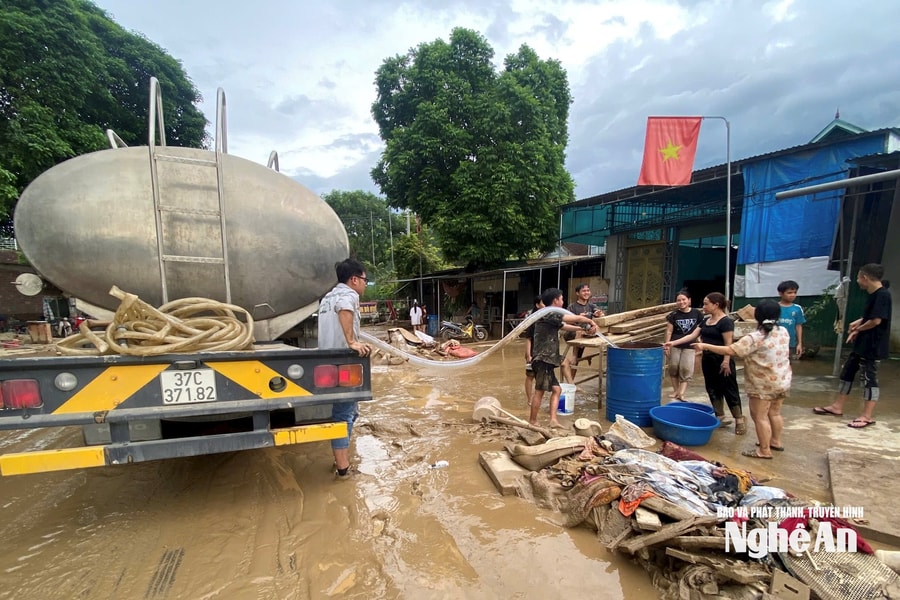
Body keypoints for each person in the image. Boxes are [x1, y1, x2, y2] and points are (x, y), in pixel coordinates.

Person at [693, 299, 791, 459]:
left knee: (759, 417)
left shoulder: (755, 337)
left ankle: (764, 450)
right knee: (774, 413)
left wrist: (705, 346)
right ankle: (775, 442)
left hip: (762, 384)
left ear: (758, 315)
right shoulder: (783, 332)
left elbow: (731, 350)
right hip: (782, 380)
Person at [814, 263, 891, 429]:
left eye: (858, 277)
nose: (857, 281)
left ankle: (867, 415)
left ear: (864, 277)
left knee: (869, 379)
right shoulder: (873, 294)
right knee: (847, 372)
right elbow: (870, 316)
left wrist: (857, 329)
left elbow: (876, 321)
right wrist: (858, 323)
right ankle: (837, 406)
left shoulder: (882, 295)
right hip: (862, 345)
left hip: (873, 346)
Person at [318, 258, 371, 480]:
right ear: (354, 279)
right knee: (343, 413)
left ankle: (342, 457)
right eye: (365, 280)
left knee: (350, 411)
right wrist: (352, 342)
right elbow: (345, 308)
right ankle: (343, 469)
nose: (365, 285)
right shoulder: (348, 295)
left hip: (326, 362)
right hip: (343, 361)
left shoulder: (327, 297)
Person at [667, 292, 746, 434]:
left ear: (716, 305)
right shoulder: (706, 320)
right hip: (708, 360)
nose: (703, 307)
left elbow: (729, 344)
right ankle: (720, 416)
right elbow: (692, 336)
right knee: (712, 388)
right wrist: (672, 342)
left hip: (722, 360)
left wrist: (726, 361)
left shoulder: (726, 322)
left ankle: (739, 420)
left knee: (729, 390)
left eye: (706, 304)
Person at [529, 288, 597, 427]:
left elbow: (565, 326)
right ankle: (533, 421)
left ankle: (553, 420)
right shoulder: (548, 312)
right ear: (556, 300)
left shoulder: (551, 316)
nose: (563, 301)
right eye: (562, 299)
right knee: (539, 391)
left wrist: (582, 329)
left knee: (557, 389)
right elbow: (575, 318)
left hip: (548, 359)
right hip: (543, 359)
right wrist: (591, 322)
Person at [662, 290, 702, 401]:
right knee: (673, 368)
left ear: (689, 300)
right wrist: (667, 345)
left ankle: (682, 392)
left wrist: (700, 344)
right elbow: (669, 331)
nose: (681, 302)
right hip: (674, 345)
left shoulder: (697, 313)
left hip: (690, 345)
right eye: (678, 300)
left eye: (684, 299)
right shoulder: (673, 315)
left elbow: (699, 330)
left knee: (686, 369)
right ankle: (676, 390)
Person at [561, 283, 605, 383]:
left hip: (584, 333)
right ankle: (574, 355)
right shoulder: (572, 307)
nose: (586, 293)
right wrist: (578, 317)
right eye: (584, 291)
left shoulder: (591, 305)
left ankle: (571, 382)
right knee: (579, 332)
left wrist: (600, 314)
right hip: (571, 333)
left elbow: (600, 313)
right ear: (577, 293)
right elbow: (566, 321)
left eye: (588, 291)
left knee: (577, 362)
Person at [777, 280, 806, 359]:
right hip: (775, 342)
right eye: (789, 293)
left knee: (787, 364)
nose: (793, 295)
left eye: (795, 292)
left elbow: (798, 326)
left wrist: (799, 343)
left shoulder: (797, 308)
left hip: (790, 343)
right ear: (781, 293)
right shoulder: (774, 307)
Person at [523, 296, 544, 404]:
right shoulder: (533, 319)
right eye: (543, 303)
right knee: (530, 376)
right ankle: (530, 399)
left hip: (543, 353)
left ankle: (537, 398)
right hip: (532, 352)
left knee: (541, 377)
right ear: (537, 305)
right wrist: (528, 355)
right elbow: (528, 338)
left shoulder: (547, 317)